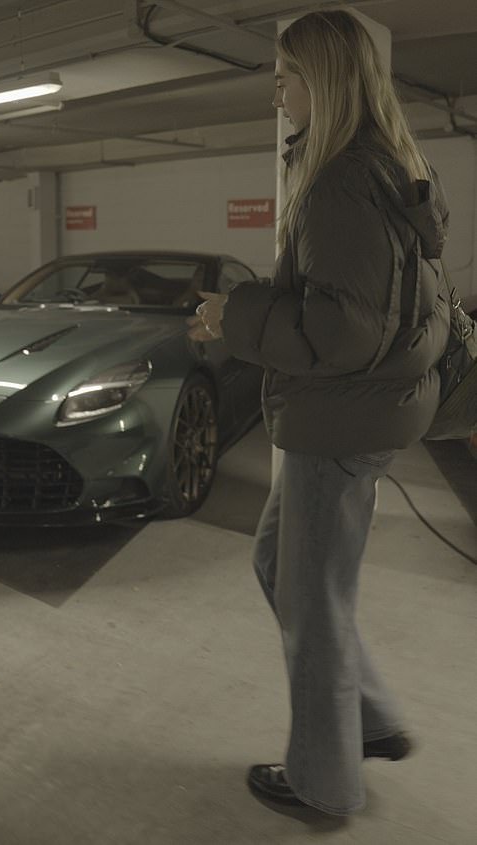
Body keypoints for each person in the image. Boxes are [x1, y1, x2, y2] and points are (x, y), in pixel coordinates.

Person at [187, 9, 450, 816]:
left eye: (288, 75)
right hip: (360, 420)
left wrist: (232, 315)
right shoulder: (379, 168)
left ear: (325, 82)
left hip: (338, 425)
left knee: (313, 602)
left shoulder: (339, 181)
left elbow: (340, 329)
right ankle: (366, 719)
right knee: (285, 570)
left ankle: (323, 782)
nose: (278, 91)